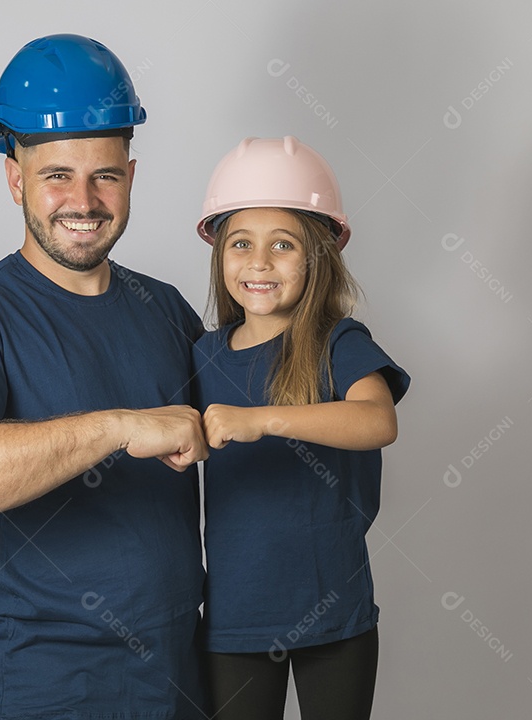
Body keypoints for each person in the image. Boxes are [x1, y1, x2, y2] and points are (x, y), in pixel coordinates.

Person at [0, 34, 209, 719]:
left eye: (106, 176)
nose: (84, 201)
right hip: (46, 690)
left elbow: (254, 424)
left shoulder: (166, 310)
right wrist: (118, 427)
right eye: (57, 175)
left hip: (181, 684)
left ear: (132, 175)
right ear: (15, 179)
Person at [191, 136, 410, 720]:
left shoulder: (339, 342)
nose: (259, 262)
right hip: (235, 618)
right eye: (241, 243)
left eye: (282, 245)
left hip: (335, 612)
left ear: (318, 257)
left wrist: (262, 420)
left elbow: (377, 419)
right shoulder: (201, 358)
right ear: (219, 255)